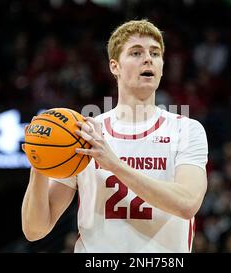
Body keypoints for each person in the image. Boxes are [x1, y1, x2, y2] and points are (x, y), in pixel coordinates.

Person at [21, 19, 209, 253]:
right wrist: (39, 159)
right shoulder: (83, 132)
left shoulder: (186, 129)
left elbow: (187, 204)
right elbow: (35, 229)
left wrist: (114, 164)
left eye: (155, 53)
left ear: (161, 67)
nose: (148, 58)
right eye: (136, 52)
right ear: (114, 66)